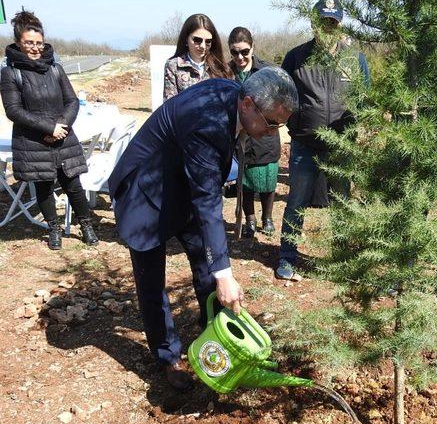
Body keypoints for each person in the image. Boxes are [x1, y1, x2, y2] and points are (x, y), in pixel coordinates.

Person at [108, 67, 297, 390]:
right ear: (248, 104)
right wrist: (225, 275)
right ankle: (167, 357)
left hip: (185, 187)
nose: (274, 132)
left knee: (206, 264)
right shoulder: (206, 123)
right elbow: (208, 201)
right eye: (271, 123)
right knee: (152, 283)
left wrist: (218, 271)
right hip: (146, 193)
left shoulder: (232, 95)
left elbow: (204, 192)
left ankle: (217, 338)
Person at [276, 0, 370, 280]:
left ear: (340, 25)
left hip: (341, 147)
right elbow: (283, 97)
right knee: (296, 202)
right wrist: (296, 125)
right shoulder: (296, 57)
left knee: (342, 204)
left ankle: (342, 258)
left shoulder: (354, 60)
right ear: (314, 23)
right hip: (305, 145)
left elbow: (364, 100)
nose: (328, 27)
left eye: (333, 22)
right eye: (323, 22)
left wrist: (355, 131)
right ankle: (287, 257)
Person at [0, 10, 98, 250]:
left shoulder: (55, 69)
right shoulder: (10, 73)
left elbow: (72, 101)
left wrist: (61, 126)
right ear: (18, 42)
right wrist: (48, 127)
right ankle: (53, 228)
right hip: (34, 141)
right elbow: (14, 110)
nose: (35, 48)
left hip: (62, 136)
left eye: (39, 43)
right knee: (43, 187)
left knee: (73, 185)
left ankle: (86, 225)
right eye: (29, 43)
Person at [228, 27, 281, 237]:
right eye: (234, 52)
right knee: (246, 181)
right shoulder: (226, 72)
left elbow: (279, 103)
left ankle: (267, 217)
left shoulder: (268, 71)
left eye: (244, 51)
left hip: (265, 135)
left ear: (253, 47)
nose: (240, 57)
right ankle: (250, 219)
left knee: (268, 179)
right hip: (240, 137)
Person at [163, 13, 231, 101]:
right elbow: (170, 106)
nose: (203, 46)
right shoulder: (173, 66)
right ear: (186, 39)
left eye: (208, 41)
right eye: (197, 40)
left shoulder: (219, 67)